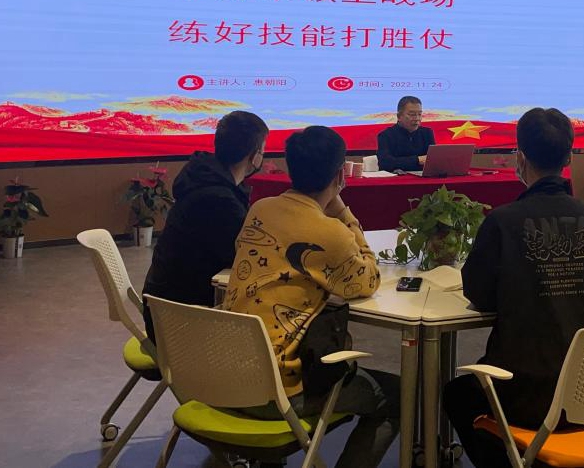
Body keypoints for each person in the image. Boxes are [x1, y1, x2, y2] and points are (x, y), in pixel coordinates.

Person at [443, 108, 584, 468]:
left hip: (524, 396)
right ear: (569, 158)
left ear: (519, 158)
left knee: (457, 395)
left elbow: (479, 294)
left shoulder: (503, 222)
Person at [224, 126, 398, 468]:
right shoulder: (331, 232)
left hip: (223, 373)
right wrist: (344, 212)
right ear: (340, 175)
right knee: (397, 396)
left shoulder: (260, 209)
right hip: (277, 391)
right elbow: (368, 280)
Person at [142, 110, 268, 341]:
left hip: (167, 309)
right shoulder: (218, 199)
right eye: (262, 150)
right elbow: (244, 255)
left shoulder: (205, 179)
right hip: (178, 323)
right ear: (254, 157)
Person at [376, 95, 435, 171]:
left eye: (419, 114)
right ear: (399, 116)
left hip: (422, 176)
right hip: (396, 177)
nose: (417, 118)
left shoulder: (427, 133)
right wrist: (417, 160)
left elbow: (433, 161)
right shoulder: (386, 135)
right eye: (412, 115)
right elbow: (385, 164)